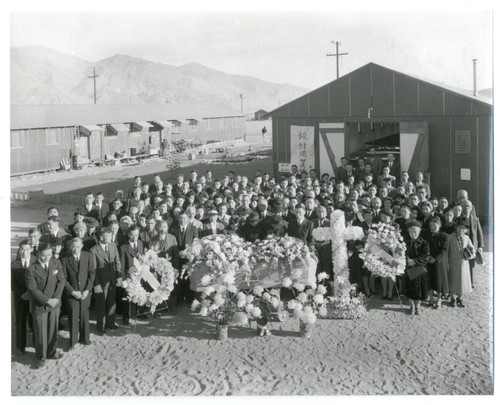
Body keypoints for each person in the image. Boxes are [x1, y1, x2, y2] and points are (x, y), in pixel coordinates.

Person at [25, 243, 66, 368]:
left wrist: (56, 299)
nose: (47, 257)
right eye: (43, 255)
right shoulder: (31, 269)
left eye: (49, 254)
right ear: (38, 254)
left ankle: (52, 352)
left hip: (55, 303)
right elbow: (32, 290)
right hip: (40, 305)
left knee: (53, 330)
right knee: (40, 332)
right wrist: (48, 300)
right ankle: (40, 357)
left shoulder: (56, 263)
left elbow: (62, 281)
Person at [60, 237, 95, 349]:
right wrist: (72, 292)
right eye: (73, 247)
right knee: (73, 316)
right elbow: (64, 279)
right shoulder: (65, 260)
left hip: (85, 292)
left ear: (82, 246)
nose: (76, 249)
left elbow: (92, 274)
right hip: (72, 293)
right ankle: (73, 341)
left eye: (78, 247)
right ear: (70, 247)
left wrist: (87, 290)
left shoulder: (88, 256)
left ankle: (85, 338)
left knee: (85, 315)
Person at [90, 227, 122, 334]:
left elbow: (117, 261)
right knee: (101, 305)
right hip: (101, 282)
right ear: (101, 236)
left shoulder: (113, 246)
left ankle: (110, 323)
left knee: (111, 302)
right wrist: (96, 284)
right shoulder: (94, 250)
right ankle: (101, 327)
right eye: (107, 236)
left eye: (111, 235)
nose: (110, 237)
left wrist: (119, 276)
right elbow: (93, 270)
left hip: (112, 279)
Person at [11, 240, 36, 356]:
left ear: (31, 249)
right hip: (20, 298)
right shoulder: (13, 264)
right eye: (22, 249)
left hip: (35, 297)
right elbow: (12, 283)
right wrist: (22, 293)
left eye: (27, 249)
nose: (24, 251)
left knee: (35, 321)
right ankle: (20, 347)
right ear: (19, 250)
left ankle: (37, 343)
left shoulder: (37, 261)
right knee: (20, 322)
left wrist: (32, 293)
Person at [170, 211, 199, 305]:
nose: (182, 220)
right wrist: (178, 252)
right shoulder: (173, 229)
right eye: (180, 218)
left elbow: (195, 243)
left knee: (189, 278)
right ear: (178, 219)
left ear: (188, 219)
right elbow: (172, 243)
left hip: (189, 258)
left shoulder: (193, 229)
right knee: (178, 279)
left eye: (184, 218)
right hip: (177, 257)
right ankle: (179, 300)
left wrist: (187, 252)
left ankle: (190, 299)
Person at [118, 226, 145, 324]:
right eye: (132, 235)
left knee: (139, 293)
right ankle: (126, 317)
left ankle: (138, 313)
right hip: (129, 276)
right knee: (127, 297)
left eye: (136, 235)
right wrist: (124, 279)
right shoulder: (123, 247)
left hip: (139, 275)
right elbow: (121, 265)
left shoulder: (140, 244)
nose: (134, 237)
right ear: (128, 234)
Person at [403, 221, 430, 315]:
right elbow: (402, 254)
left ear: (419, 232)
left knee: (419, 289)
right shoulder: (405, 243)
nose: (413, 234)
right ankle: (411, 306)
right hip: (409, 269)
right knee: (409, 288)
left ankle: (418, 306)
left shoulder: (424, 243)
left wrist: (414, 261)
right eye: (411, 232)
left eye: (415, 232)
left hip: (420, 270)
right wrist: (407, 260)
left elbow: (426, 256)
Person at [422, 217, 449, 309]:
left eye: (434, 225)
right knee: (429, 279)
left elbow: (444, 250)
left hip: (439, 262)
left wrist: (436, 259)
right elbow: (423, 246)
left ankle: (439, 298)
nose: (432, 227)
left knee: (439, 280)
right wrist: (428, 257)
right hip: (428, 260)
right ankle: (431, 298)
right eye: (430, 225)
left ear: (439, 225)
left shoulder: (445, 236)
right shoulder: (425, 234)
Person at [448, 222, 475, 307]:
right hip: (453, 262)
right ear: (456, 227)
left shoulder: (466, 238)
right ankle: (453, 298)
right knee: (453, 279)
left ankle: (460, 297)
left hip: (464, 263)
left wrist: (471, 255)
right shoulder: (450, 237)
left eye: (464, 228)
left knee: (462, 280)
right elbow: (447, 251)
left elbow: (472, 248)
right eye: (460, 228)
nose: (461, 230)